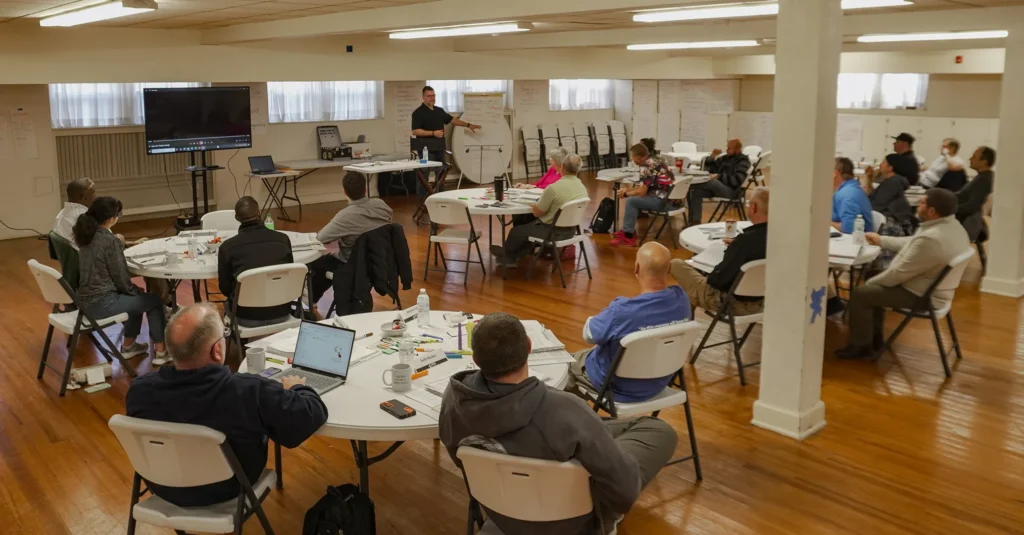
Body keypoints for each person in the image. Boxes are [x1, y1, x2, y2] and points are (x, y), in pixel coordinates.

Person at [439, 312, 678, 535]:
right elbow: (624, 494)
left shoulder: (454, 399)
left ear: (475, 358)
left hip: (501, 513)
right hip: (573, 523)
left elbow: (462, 460)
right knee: (657, 430)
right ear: (529, 348)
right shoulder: (565, 409)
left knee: (594, 433)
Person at [126, 303, 327, 507]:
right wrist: (297, 389)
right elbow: (308, 417)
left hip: (164, 487)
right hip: (229, 487)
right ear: (217, 350)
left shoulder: (140, 391)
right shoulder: (248, 392)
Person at [835, 189, 969, 359]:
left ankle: (860, 346)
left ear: (932, 211)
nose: (917, 206)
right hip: (934, 287)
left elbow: (897, 274)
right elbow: (913, 243)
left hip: (922, 295)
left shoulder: (931, 239)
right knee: (872, 277)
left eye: (921, 203)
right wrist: (881, 240)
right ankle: (873, 338)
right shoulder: (952, 227)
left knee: (862, 293)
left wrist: (871, 284)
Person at [568, 242, 691, 402]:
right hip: (658, 383)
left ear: (636, 268)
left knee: (565, 367)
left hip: (616, 388)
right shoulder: (682, 299)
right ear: (669, 269)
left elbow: (589, 334)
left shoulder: (622, 310)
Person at [73, 196, 168, 364]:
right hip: (103, 304)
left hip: (85, 302)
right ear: (111, 218)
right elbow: (121, 277)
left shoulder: (85, 236)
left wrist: (133, 292)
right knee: (152, 300)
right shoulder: (109, 241)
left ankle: (129, 347)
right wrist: (134, 291)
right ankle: (161, 352)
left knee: (137, 298)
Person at [671, 187, 769, 316]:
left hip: (730, 302)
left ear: (754, 208)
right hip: (763, 301)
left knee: (676, 264)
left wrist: (726, 257)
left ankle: (680, 322)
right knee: (693, 281)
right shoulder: (776, 238)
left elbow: (717, 280)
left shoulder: (744, 242)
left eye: (748, 203)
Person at [308, 172, 393, 309]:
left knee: (318, 263)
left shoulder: (345, 216)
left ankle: (311, 301)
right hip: (382, 262)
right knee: (328, 262)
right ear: (365, 189)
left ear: (344, 192)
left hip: (353, 265)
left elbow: (320, 238)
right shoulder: (382, 205)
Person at [491, 152, 587, 267]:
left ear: (563, 167)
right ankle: (512, 255)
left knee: (517, 231)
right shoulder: (582, 187)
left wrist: (534, 205)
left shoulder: (554, 188)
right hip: (571, 231)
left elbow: (537, 213)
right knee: (526, 230)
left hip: (552, 232)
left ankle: (508, 256)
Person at [217, 196, 294, 327]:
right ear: (259, 213)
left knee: (226, 304)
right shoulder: (282, 239)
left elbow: (225, 289)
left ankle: (240, 344)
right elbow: (289, 275)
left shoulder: (227, 247)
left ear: (237, 218)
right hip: (282, 312)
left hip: (246, 317)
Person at [410, 85, 481, 188]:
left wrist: (469, 125)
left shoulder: (439, 111)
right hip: (425, 149)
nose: (432, 98)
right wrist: (433, 133)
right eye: (429, 96)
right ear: (423, 97)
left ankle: (439, 196)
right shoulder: (417, 113)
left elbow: (453, 120)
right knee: (424, 174)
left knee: (441, 173)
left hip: (439, 148)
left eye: (433, 95)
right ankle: (424, 200)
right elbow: (415, 131)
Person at [609, 144, 675, 248]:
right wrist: (627, 191)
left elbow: (642, 192)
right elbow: (644, 187)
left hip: (661, 202)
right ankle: (628, 230)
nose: (632, 159)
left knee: (631, 201)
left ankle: (628, 236)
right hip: (668, 199)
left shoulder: (646, 167)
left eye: (632, 156)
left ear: (639, 157)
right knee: (633, 199)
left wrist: (626, 194)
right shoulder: (656, 160)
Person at [687, 139, 751, 225]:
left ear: (737, 149)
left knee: (711, 182)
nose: (727, 150)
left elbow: (736, 181)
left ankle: (685, 188)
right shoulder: (725, 158)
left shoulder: (743, 161)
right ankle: (694, 222)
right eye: (727, 147)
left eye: (729, 148)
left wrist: (719, 176)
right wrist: (712, 157)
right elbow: (709, 169)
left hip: (732, 191)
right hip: (719, 189)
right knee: (696, 192)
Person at [869, 155, 915, 256]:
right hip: (891, 217)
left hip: (890, 222)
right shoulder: (892, 181)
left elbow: (877, 204)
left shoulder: (893, 183)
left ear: (890, 168)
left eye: (883, 162)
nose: (880, 164)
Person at [511, 147, 567, 227]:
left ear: (556, 160)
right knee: (517, 211)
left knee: (527, 213)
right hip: (537, 194)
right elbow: (539, 183)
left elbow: (550, 188)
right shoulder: (552, 169)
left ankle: (523, 232)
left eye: (551, 157)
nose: (549, 159)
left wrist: (533, 188)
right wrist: (526, 186)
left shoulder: (564, 174)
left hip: (546, 199)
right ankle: (519, 231)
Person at [957, 146, 995, 243]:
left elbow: (971, 206)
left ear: (984, 161)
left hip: (964, 220)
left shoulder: (984, 180)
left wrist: (948, 208)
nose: (970, 159)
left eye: (974, 157)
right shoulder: (982, 177)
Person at [832, 157, 875, 234]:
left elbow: (848, 228)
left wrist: (826, 223)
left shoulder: (846, 195)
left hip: (855, 241)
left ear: (835, 173)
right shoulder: (851, 188)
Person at [52, 177, 96, 249]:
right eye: (93, 194)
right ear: (84, 198)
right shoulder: (85, 218)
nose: (95, 197)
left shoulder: (61, 214)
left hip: (72, 257)